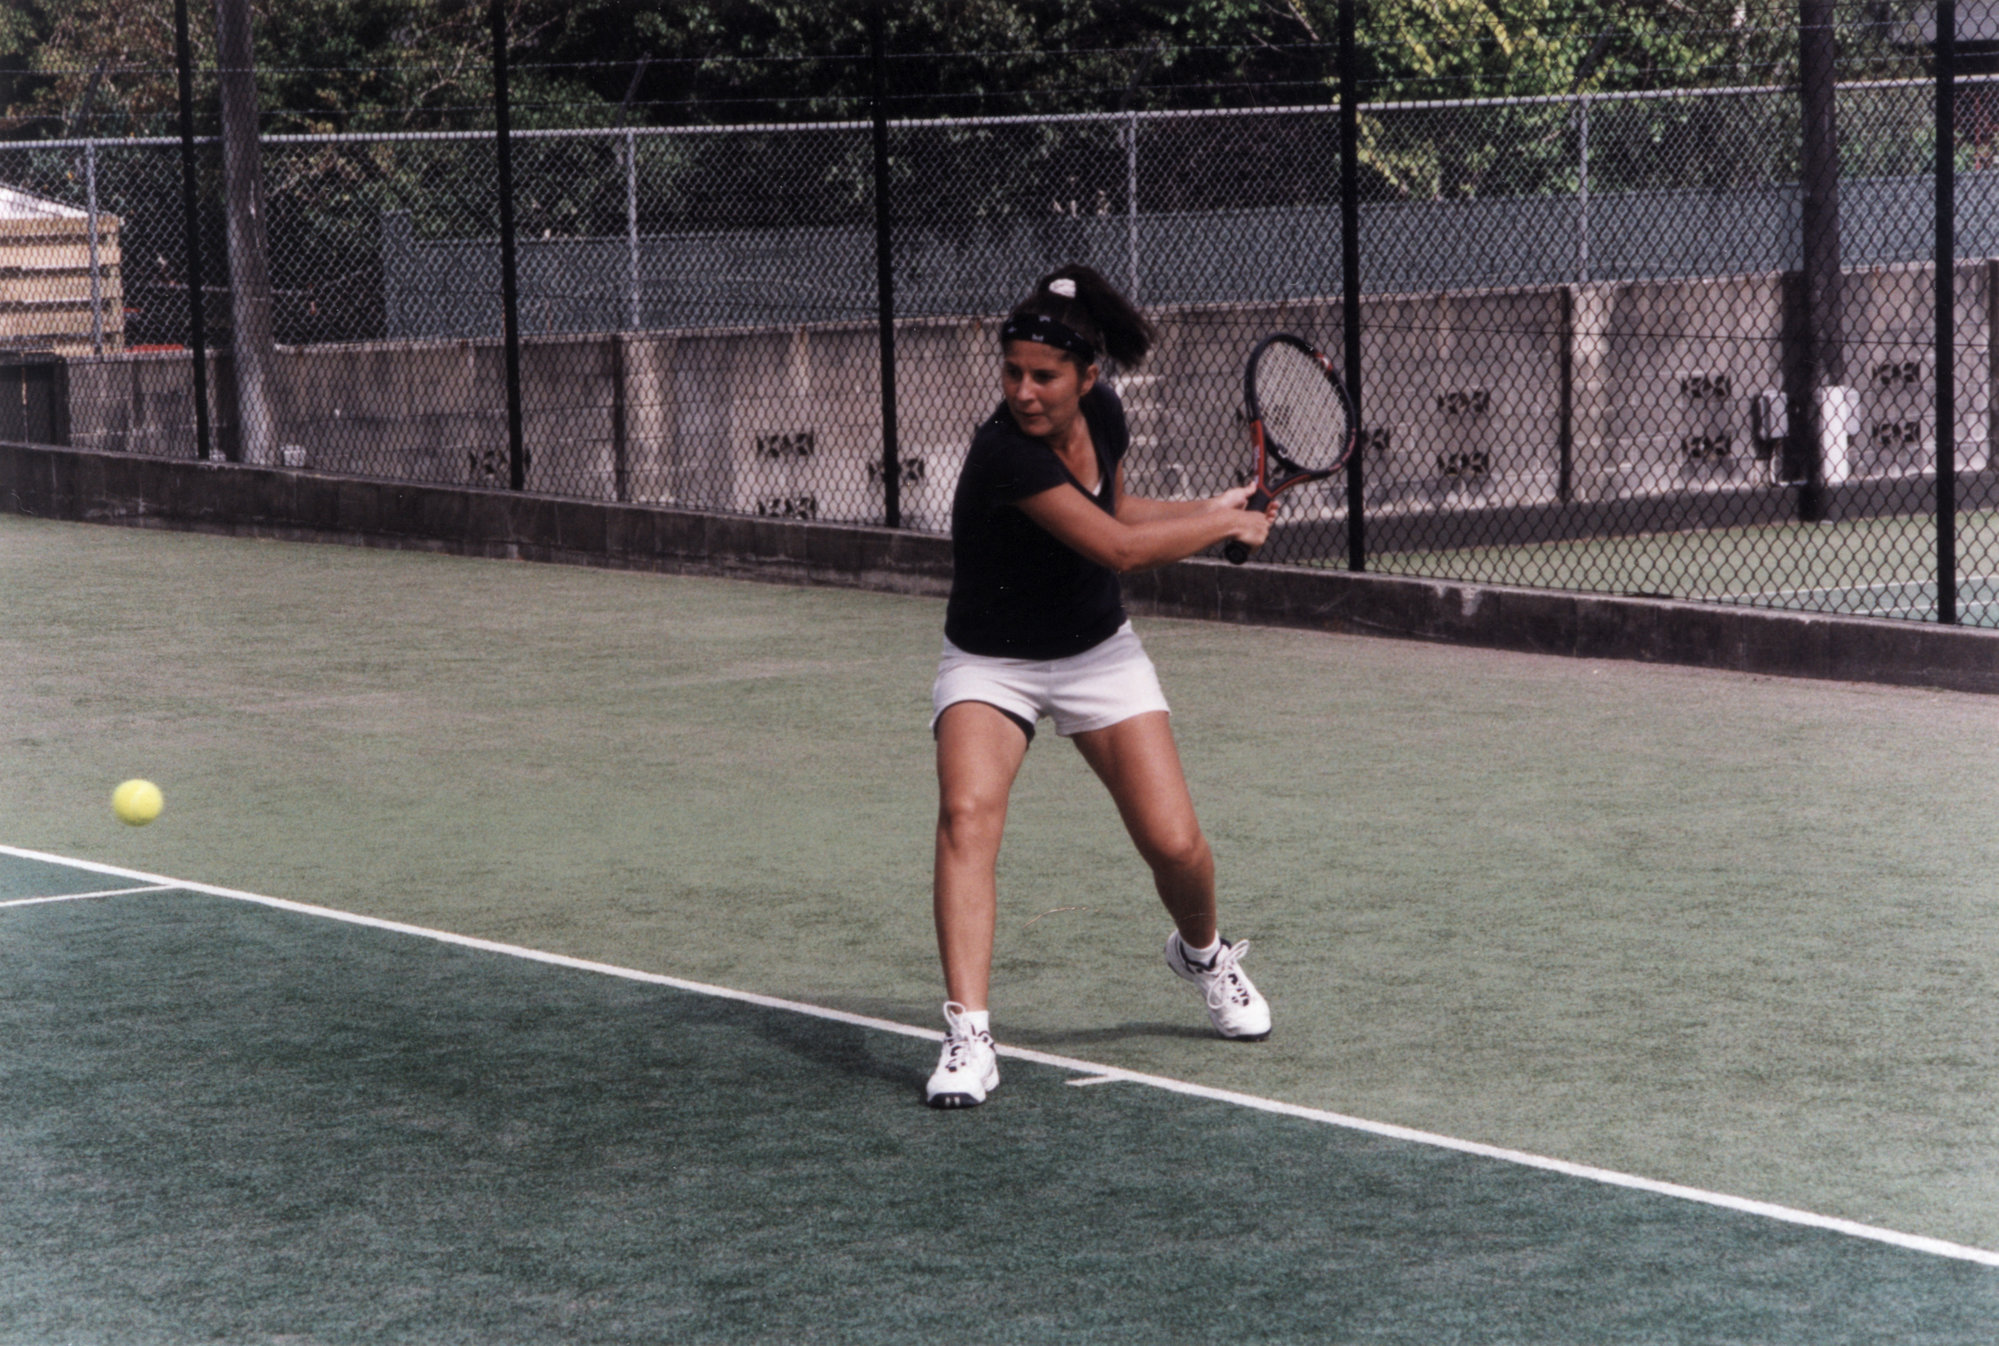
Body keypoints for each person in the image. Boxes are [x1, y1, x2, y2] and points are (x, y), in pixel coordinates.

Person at [925, 262, 1278, 1109]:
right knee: (965, 816)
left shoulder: (1104, 417)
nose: (1022, 390)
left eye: (1042, 375)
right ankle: (968, 1035)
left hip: (1095, 653)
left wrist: (1210, 502)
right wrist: (1227, 524)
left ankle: (1201, 955)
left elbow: (1117, 512)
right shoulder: (1003, 452)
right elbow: (1116, 551)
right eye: (1011, 372)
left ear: (1088, 377)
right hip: (990, 661)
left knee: (1176, 846)